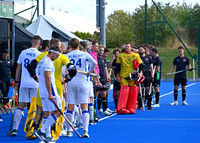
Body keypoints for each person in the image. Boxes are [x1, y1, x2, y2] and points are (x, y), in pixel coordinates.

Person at [10, 35, 42, 136]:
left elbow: (18, 68)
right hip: (35, 83)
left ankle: (15, 129)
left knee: (20, 106)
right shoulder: (40, 54)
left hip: (24, 83)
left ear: (31, 42)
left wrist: (17, 81)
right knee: (35, 106)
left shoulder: (23, 53)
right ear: (39, 44)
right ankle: (32, 129)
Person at [65, 38, 97, 138]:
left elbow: (63, 70)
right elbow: (94, 63)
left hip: (72, 82)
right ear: (79, 45)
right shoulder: (85, 54)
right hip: (83, 81)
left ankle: (69, 131)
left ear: (70, 46)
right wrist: (89, 72)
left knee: (70, 106)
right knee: (84, 107)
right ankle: (85, 130)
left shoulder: (67, 55)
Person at [35, 45, 62, 142]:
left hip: (42, 90)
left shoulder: (42, 61)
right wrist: (50, 93)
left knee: (47, 112)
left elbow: (38, 76)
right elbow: (47, 78)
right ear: (53, 53)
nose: (58, 57)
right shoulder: (47, 63)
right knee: (58, 111)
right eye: (57, 55)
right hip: (49, 91)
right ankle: (42, 130)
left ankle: (47, 135)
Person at [116, 42, 143, 114]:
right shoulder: (121, 55)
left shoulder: (136, 55)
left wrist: (140, 73)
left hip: (132, 77)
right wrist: (117, 76)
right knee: (124, 91)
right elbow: (117, 67)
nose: (127, 48)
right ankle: (121, 108)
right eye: (126, 46)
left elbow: (141, 65)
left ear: (131, 47)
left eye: (128, 46)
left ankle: (131, 107)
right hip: (124, 76)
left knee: (133, 92)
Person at [97, 45, 112, 116]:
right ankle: (99, 108)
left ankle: (105, 109)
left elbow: (105, 68)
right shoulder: (95, 58)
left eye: (102, 50)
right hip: (97, 78)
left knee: (104, 94)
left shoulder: (103, 59)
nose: (101, 51)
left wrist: (107, 76)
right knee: (96, 95)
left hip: (103, 78)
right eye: (100, 50)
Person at [138, 46, 154, 110]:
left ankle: (149, 105)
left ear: (144, 50)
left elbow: (152, 67)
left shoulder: (149, 58)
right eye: (139, 49)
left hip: (147, 76)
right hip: (140, 76)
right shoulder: (137, 58)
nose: (140, 50)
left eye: (141, 49)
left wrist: (152, 76)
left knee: (148, 90)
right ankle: (140, 105)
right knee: (140, 90)